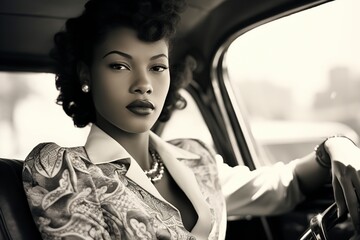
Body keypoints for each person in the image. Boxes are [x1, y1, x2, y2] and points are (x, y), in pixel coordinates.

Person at [22, 0, 360, 239]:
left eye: (157, 67)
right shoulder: (61, 168)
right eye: (120, 66)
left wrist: (338, 146)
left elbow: (285, 186)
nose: (143, 85)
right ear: (86, 74)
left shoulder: (196, 160)